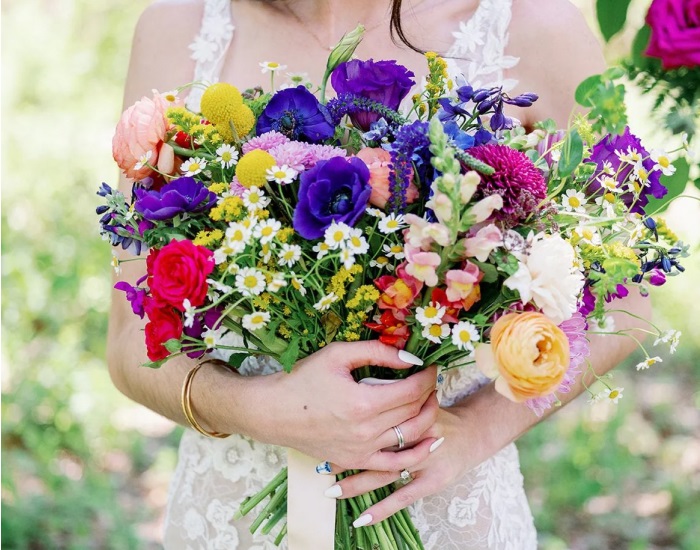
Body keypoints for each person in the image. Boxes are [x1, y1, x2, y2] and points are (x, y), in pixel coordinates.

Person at [108, 0, 651, 547]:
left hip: (440, 507)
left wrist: (473, 431)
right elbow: (130, 344)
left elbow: (626, 301)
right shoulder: (177, 27)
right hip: (232, 513)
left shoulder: (539, 26)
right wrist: (257, 408)